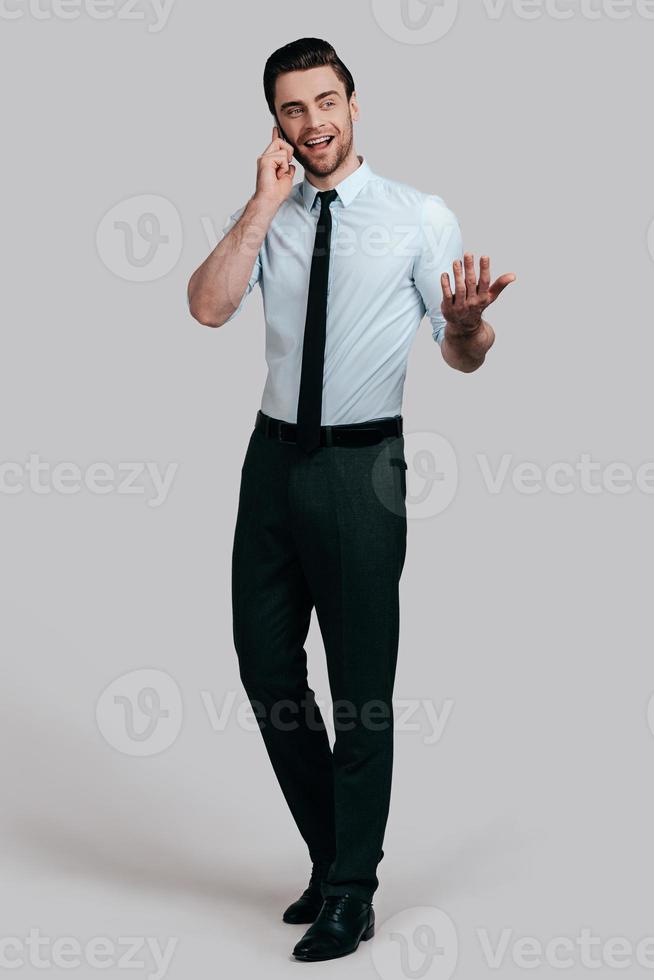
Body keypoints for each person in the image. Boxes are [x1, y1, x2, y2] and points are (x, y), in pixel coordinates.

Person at [187, 36, 516, 963]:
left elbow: (460, 354)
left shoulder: (418, 215)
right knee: (264, 666)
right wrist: (260, 200)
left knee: (362, 689)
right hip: (271, 465)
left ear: (355, 103)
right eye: (293, 109)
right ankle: (338, 858)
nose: (314, 123)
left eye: (326, 101)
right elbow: (208, 307)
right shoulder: (271, 215)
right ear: (276, 123)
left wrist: (465, 326)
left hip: (362, 470)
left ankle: (348, 890)